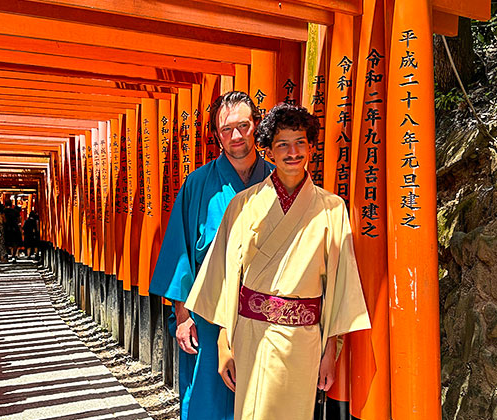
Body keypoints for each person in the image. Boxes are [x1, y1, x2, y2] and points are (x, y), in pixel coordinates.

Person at [185, 104, 371, 420]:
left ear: (312, 147)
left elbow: (341, 285)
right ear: (269, 151)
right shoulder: (243, 205)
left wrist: (331, 351)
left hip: (304, 339)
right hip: (251, 334)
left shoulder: (332, 209)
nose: (292, 152)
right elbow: (225, 277)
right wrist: (223, 342)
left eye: (300, 142)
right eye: (282, 144)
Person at [149, 91, 275, 420]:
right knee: (208, 402)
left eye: (243, 126)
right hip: (208, 316)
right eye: (226, 129)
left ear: (257, 126)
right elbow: (181, 255)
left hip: (267, 315)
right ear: (216, 134)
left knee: (265, 403)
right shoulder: (198, 183)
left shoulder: (281, 181)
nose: (235, 136)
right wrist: (182, 317)